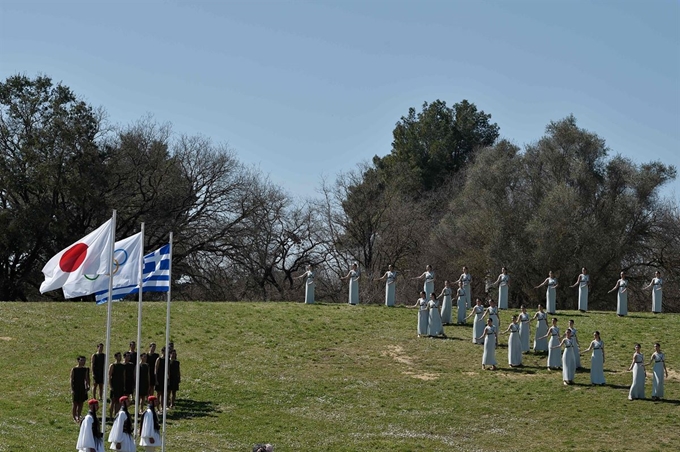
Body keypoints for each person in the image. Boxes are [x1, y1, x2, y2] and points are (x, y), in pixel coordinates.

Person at [71, 355, 90, 423]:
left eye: (84, 360)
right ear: (78, 361)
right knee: (75, 403)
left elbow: (86, 378)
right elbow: (72, 379)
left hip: (82, 387)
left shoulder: (85, 369)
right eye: (82, 360)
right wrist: (72, 389)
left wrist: (87, 385)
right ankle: (74, 417)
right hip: (76, 387)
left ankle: (78, 415)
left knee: (81, 403)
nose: (83, 362)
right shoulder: (74, 369)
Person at [108, 352, 125, 418]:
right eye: (118, 356)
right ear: (115, 357)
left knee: (119, 401)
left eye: (120, 356)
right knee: (113, 401)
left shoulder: (122, 366)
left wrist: (123, 385)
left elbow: (124, 376)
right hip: (114, 385)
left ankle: (116, 414)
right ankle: (110, 416)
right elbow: (109, 376)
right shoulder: (112, 365)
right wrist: (110, 386)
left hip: (120, 385)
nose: (120, 358)